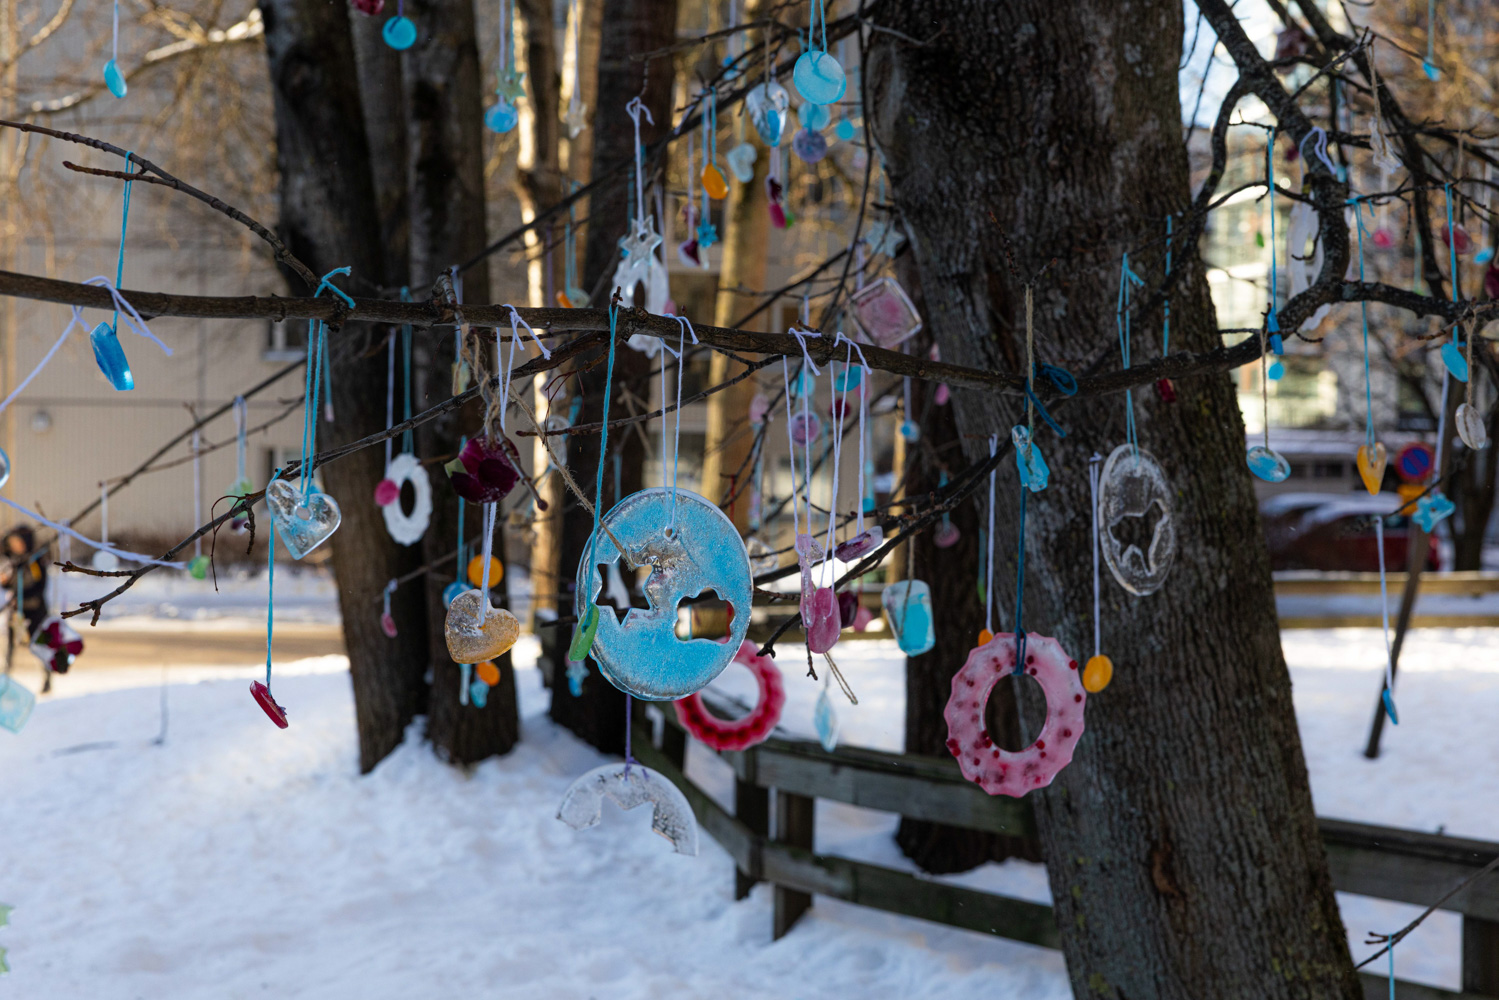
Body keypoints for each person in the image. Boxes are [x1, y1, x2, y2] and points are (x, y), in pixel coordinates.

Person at [3, 527, 52, 689]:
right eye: (12, 543)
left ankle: (47, 677)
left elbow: (40, 586)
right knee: (11, 644)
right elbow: (12, 583)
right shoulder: (15, 562)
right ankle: (6, 677)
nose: (14, 546)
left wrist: (21, 595)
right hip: (17, 612)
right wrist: (5, 582)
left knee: (39, 644)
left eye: (17, 542)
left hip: (35, 610)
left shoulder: (35, 561)